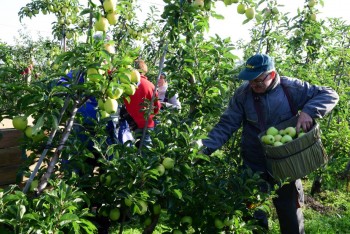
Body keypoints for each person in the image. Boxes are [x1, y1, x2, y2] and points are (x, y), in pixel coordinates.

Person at [200, 54, 339, 233]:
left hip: (286, 164)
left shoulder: (291, 88)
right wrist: (205, 149)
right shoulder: (243, 94)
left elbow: (329, 93)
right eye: (250, 81)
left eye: (258, 81)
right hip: (254, 164)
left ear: (271, 75)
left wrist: (309, 111)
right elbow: (227, 124)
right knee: (253, 215)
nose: (253, 85)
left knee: (291, 216)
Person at [122, 59, 161, 148]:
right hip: (147, 123)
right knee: (146, 153)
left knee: (132, 149)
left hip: (131, 123)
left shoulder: (127, 85)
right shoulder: (150, 85)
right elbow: (157, 106)